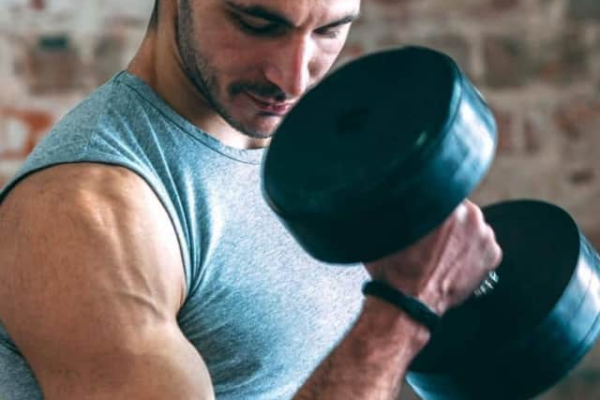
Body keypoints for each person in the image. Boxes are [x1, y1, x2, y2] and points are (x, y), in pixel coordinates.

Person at [0, 0, 502, 399]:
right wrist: (405, 306)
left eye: (329, 30)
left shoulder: (307, 149)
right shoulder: (83, 212)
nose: (294, 79)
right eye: (258, 25)